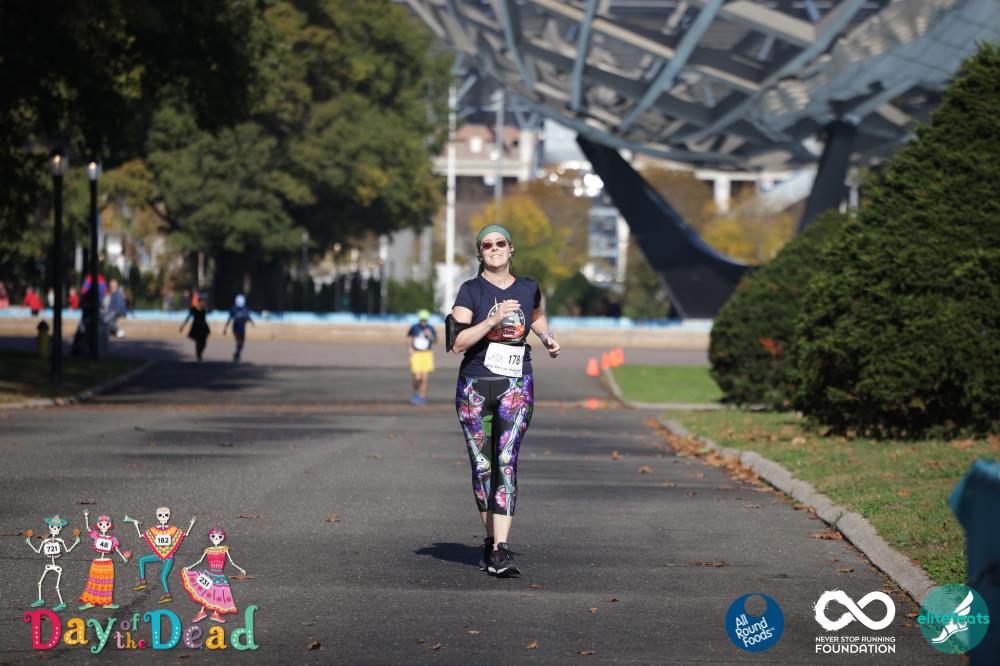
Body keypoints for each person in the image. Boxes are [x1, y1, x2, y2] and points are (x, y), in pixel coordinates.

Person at [450, 224, 560, 577]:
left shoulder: (528, 287)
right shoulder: (470, 291)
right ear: (479, 253)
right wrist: (492, 320)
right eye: (487, 245)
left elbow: (536, 316)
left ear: (511, 249)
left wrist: (547, 337)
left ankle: (500, 548)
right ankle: (490, 541)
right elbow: (457, 343)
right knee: (483, 466)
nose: (494, 248)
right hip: (475, 388)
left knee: (506, 461)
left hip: (516, 387)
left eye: (500, 243)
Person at [181, 526, 247, 623]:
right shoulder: (208, 550)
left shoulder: (224, 549)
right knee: (205, 592)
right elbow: (199, 561)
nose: (216, 539)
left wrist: (240, 569)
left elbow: (231, 562)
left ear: (222, 538)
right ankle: (202, 612)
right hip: (209, 574)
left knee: (218, 594)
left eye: (219, 537)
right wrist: (189, 567)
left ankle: (215, 613)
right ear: (210, 537)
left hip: (219, 575)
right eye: (213, 536)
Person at [407, 309, 437, 405]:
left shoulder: (430, 328)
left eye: (425, 320)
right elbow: (409, 337)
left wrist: (430, 335)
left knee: (424, 378)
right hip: (416, 354)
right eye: (422, 320)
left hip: (427, 354)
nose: (423, 321)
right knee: (417, 377)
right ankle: (415, 393)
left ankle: (422, 397)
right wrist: (410, 348)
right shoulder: (414, 327)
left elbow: (435, 341)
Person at [223, 294, 254, 363]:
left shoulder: (245, 308)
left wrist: (251, 322)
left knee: (242, 343)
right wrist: (225, 328)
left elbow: (247, 316)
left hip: (242, 328)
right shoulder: (234, 308)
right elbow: (229, 319)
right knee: (238, 341)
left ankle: (237, 353)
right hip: (236, 327)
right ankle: (237, 355)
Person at [179, 295, 210, 361]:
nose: (203, 303)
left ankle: (199, 353)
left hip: (203, 327)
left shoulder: (204, 309)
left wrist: (205, 307)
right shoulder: (193, 309)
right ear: (199, 302)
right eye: (202, 302)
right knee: (198, 342)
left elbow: (209, 311)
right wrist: (183, 326)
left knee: (204, 343)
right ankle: (198, 355)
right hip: (196, 327)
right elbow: (188, 317)